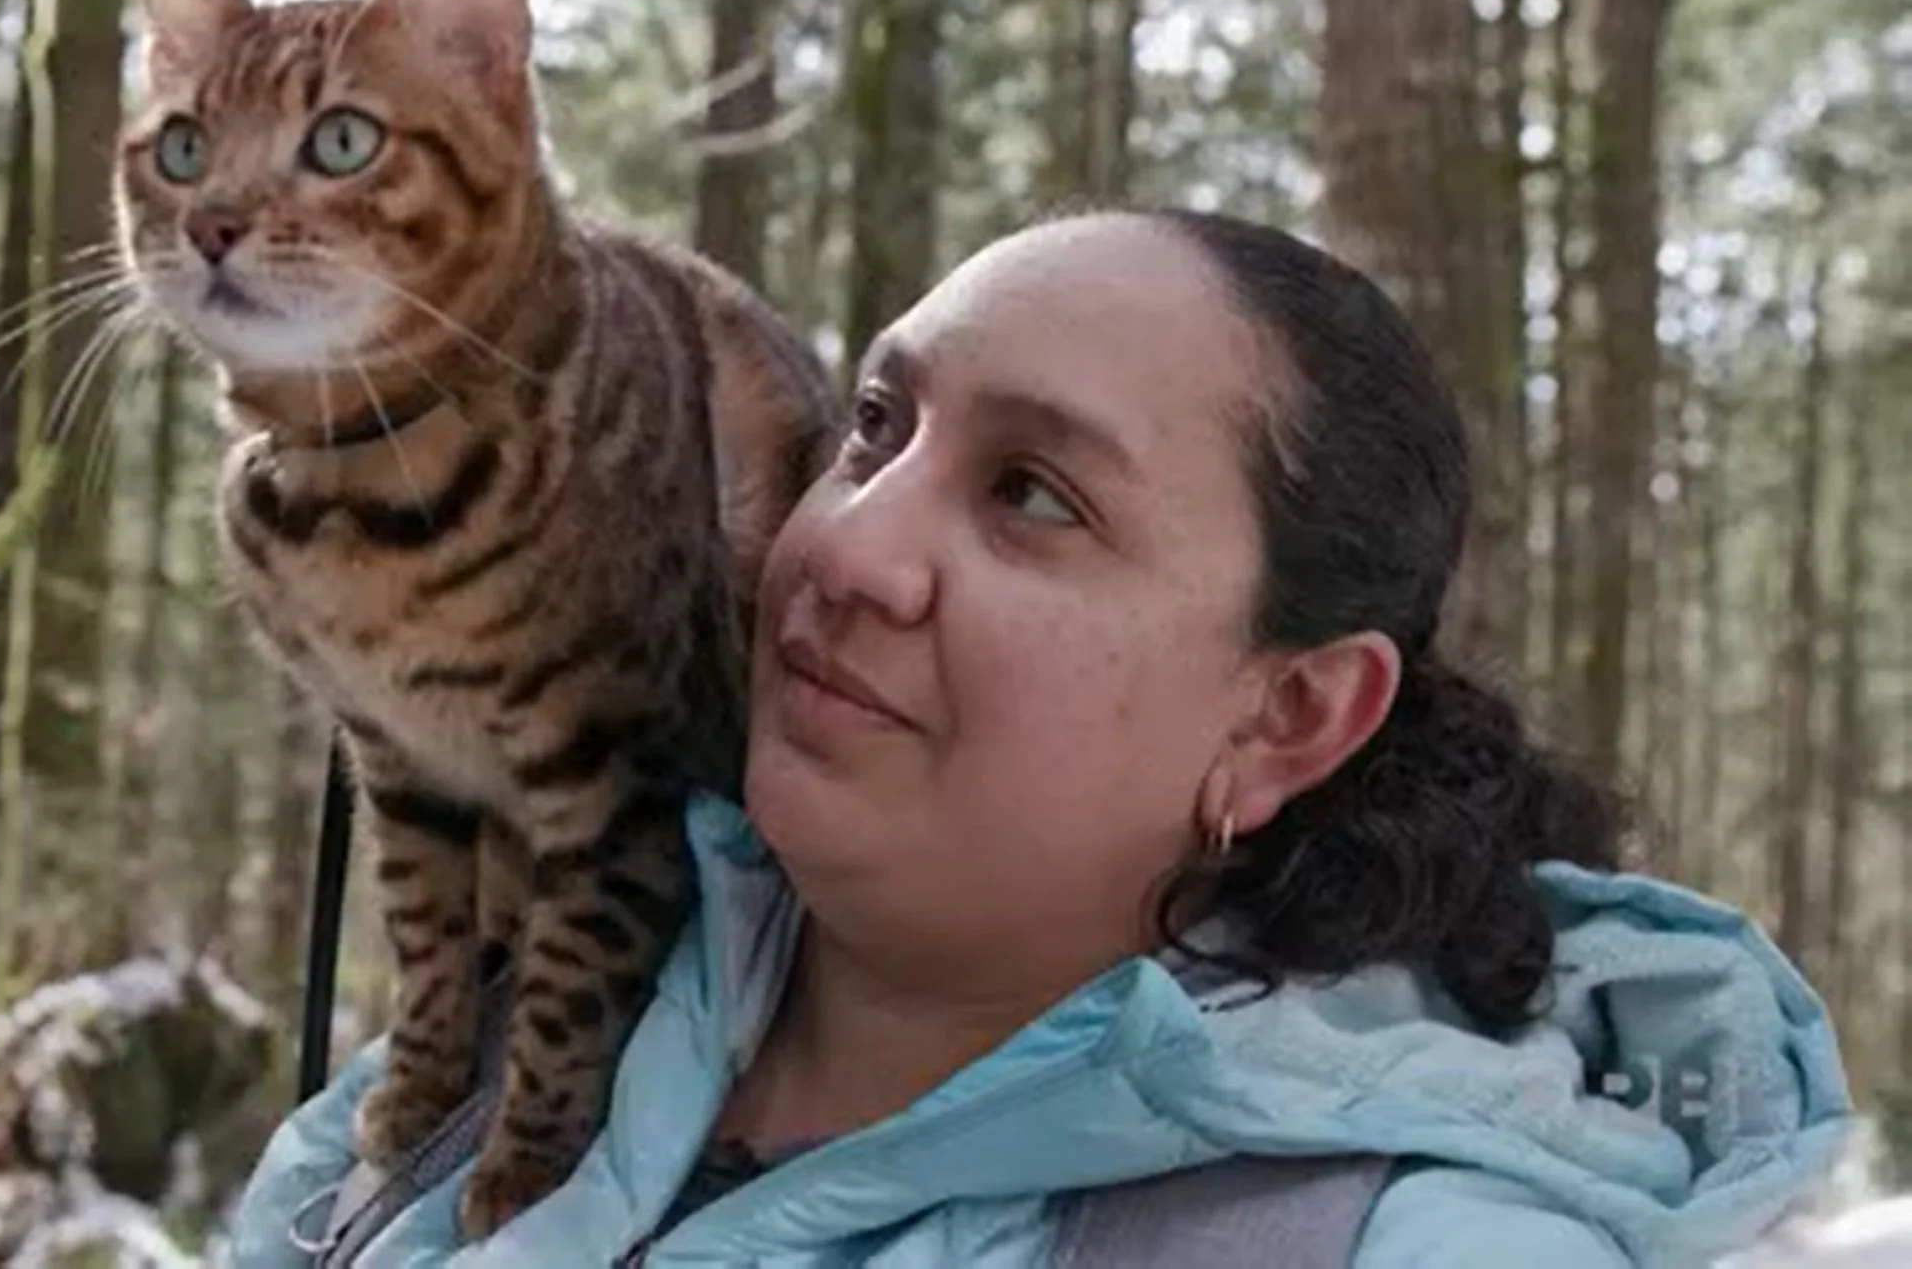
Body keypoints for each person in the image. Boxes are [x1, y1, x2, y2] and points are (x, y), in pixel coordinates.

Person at [217, 210, 1854, 1266]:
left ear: (1289, 715)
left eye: (1031, 496)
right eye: (875, 427)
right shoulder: (529, 1040)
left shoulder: (1395, 1244)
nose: (843, 546)